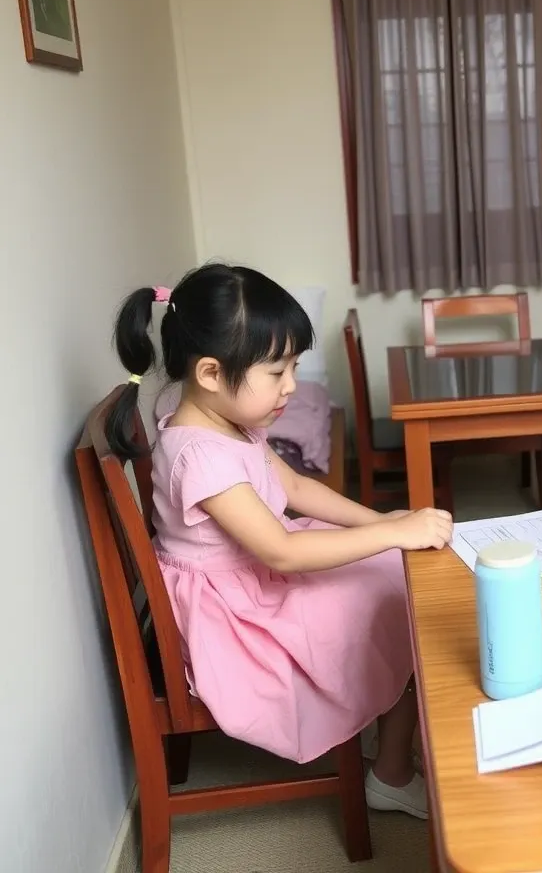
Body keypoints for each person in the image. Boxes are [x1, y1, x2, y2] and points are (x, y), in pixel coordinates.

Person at [106, 263, 453, 820]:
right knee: (390, 592)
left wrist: (381, 521)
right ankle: (390, 771)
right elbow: (281, 551)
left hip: (252, 576)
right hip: (235, 615)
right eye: (277, 371)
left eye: (293, 366)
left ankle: (392, 724)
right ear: (212, 372)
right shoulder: (198, 454)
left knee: (392, 566)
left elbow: (290, 486)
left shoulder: (217, 416)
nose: (291, 385)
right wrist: (391, 532)